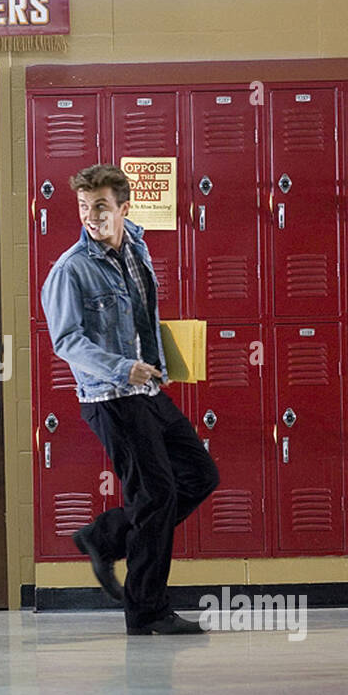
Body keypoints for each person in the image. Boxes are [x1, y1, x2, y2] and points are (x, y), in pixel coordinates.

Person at [40, 163, 219, 635]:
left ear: (124, 207)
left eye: (100, 207)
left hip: (148, 387)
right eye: (83, 207)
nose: (90, 217)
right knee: (156, 495)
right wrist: (124, 367)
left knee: (200, 474)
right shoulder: (70, 270)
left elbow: (140, 317)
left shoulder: (136, 247)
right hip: (111, 395)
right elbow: (67, 342)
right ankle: (146, 611)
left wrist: (161, 361)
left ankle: (106, 536)